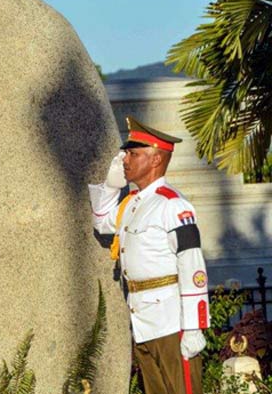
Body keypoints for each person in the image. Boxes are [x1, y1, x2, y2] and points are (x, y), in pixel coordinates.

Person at [88, 116, 210, 394]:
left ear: (155, 160)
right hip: (143, 321)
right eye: (125, 153)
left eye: (133, 154)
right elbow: (101, 221)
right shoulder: (132, 204)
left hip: (171, 321)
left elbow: (192, 266)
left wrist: (194, 326)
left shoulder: (173, 204)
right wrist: (110, 187)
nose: (125, 160)